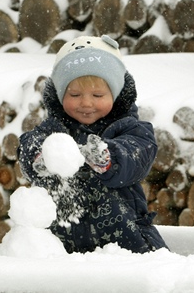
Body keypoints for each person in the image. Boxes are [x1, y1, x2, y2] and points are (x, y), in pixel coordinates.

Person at [18, 35, 168, 254]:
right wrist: (40, 157)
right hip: (62, 249)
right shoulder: (52, 130)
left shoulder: (132, 129)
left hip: (127, 245)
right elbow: (27, 148)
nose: (86, 103)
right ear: (60, 96)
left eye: (98, 94)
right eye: (75, 94)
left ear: (115, 95)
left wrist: (108, 157)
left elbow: (136, 156)